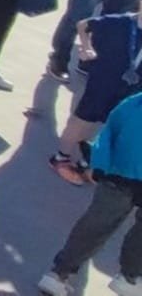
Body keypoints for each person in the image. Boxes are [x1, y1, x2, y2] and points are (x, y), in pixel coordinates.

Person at [37, 91, 142, 296]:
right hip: (121, 170)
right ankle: (129, 277)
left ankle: (59, 274)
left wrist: (99, 164)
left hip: (118, 170)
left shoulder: (134, 102)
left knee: (96, 225)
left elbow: (110, 130)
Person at [49, 3, 141, 186]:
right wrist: (86, 47)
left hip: (127, 87)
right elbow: (83, 25)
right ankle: (60, 158)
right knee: (82, 121)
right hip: (103, 82)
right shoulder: (120, 22)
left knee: (103, 122)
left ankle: (86, 159)